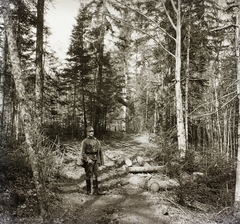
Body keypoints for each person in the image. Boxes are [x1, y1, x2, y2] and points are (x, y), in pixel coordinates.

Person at [81, 126, 105, 195]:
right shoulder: (84, 141)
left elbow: (99, 151)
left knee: (96, 174)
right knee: (89, 174)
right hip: (89, 160)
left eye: (92, 131)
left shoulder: (96, 140)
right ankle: (88, 191)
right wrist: (88, 159)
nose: (91, 133)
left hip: (95, 159)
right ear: (87, 133)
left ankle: (96, 190)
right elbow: (82, 153)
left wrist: (99, 160)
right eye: (89, 131)